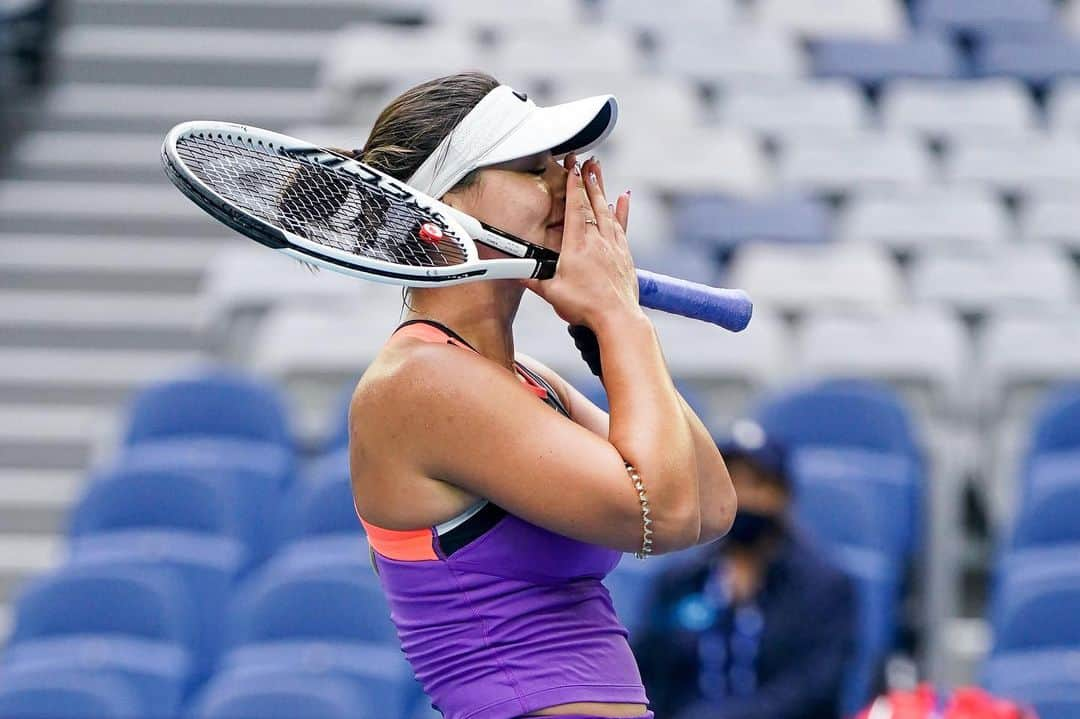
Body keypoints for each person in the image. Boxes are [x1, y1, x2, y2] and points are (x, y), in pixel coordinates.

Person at [346, 72, 737, 719]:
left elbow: (708, 505)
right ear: (438, 213)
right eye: (533, 168)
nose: (568, 180)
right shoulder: (420, 381)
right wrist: (618, 319)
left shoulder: (521, 376)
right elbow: (658, 514)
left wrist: (602, 329)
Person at [634, 420, 857, 719]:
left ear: (783, 495)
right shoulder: (680, 581)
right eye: (731, 482)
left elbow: (816, 687)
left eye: (756, 484)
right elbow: (650, 669)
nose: (742, 497)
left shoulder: (825, 587)